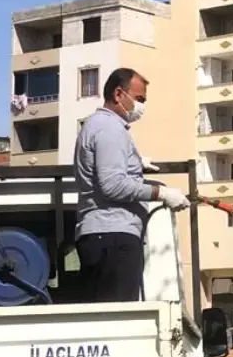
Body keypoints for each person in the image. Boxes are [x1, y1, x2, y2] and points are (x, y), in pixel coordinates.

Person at [73, 67, 189, 302]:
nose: (142, 106)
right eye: (139, 99)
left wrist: (135, 162)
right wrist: (161, 193)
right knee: (116, 319)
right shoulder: (108, 128)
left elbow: (108, 171)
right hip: (112, 236)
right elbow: (113, 185)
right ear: (118, 94)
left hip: (104, 236)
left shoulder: (101, 126)